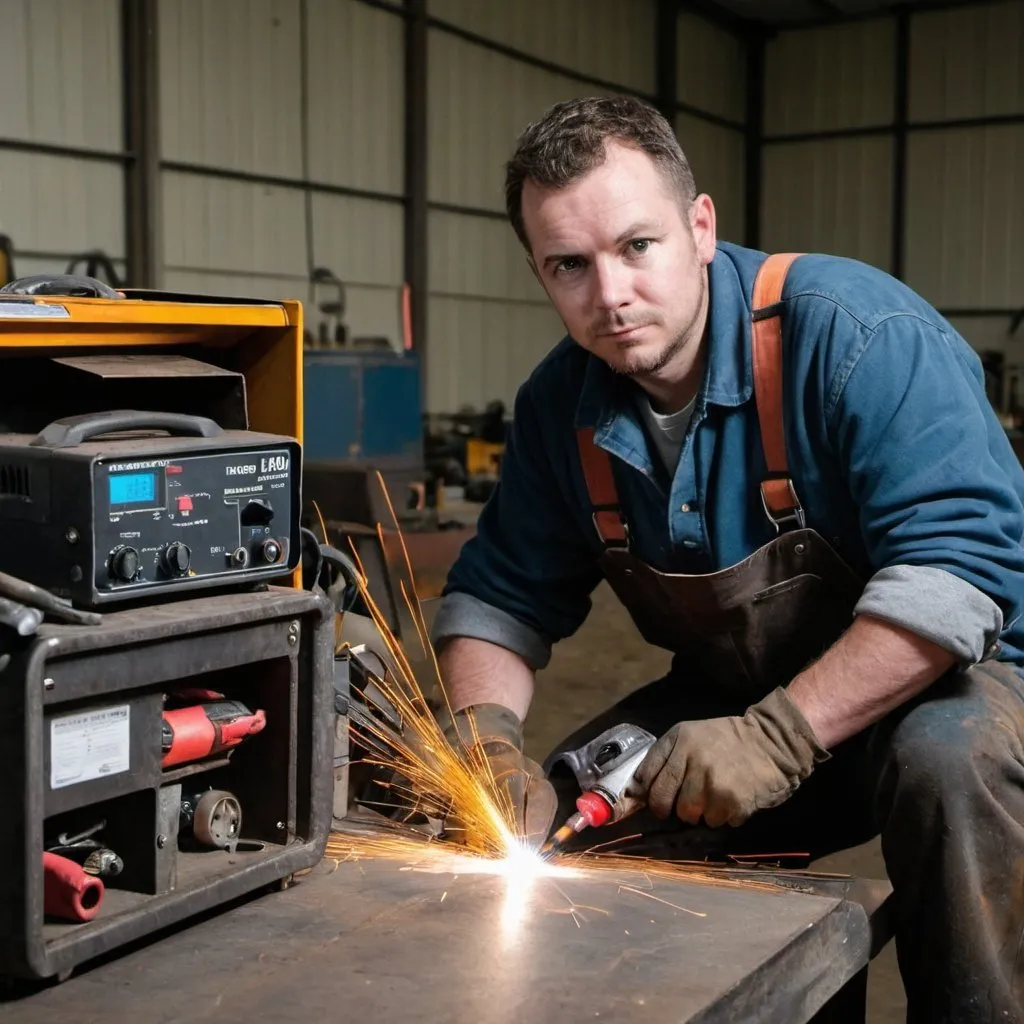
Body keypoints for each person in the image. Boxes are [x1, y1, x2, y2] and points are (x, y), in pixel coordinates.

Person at [429, 95, 1024, 1023]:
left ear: (699, 227)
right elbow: (497, 600)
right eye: (569, 266)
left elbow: (959, 575)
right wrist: (485, 739)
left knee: (942, 761)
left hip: (958, 685)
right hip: (745, 694)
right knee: (574, 816)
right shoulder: (561, 406)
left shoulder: (854, 335)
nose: (611, 294)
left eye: (637, 246)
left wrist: (778, 736)